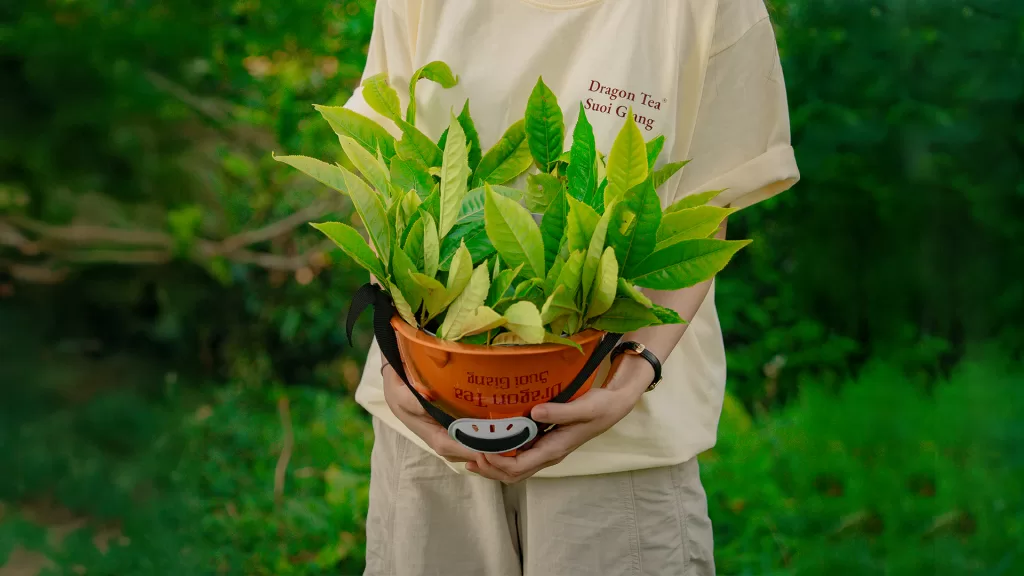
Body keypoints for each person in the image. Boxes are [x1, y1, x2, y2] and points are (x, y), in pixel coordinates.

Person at [343, 0, 799, 574]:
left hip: (619, 450)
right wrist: (394, 363)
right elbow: (387, 182)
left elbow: (706, 206)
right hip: (432, 435)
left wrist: (634, 375)